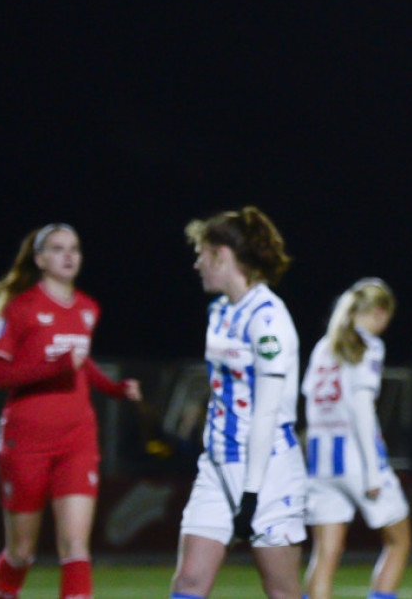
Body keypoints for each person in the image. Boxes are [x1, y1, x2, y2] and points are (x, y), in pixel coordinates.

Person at [0, 223, 143, 599]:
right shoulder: (20, 308)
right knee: (22, 552)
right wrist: (54, 365)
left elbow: (82, 364)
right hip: (26, 439)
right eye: (57, 248)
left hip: (77, 438)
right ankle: (5, 592)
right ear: (40, 259)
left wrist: (115, 390)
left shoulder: (88, 308)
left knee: (75, 546)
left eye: (74, 248)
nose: (69, 255)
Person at [170, 206, 306, 599]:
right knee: (189, 583)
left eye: (202, 254)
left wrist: (250, 493)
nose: (197, 264)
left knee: (282, 591)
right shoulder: (219, 312)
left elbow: (266, 410)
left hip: (266, 469)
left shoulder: (268, 319)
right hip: (216, 463)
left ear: (223, 255)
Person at [302, 278, 412, 599]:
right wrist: (373, 470)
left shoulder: (324, 346)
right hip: (356, 458)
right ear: (379, 312)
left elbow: (309, 406)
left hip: (320, 460)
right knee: (398, 541)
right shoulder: (368, 345)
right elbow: (362, 409)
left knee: (325, 553)